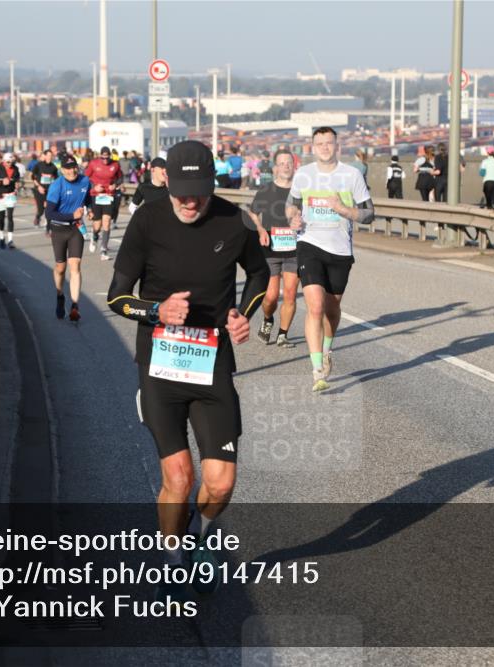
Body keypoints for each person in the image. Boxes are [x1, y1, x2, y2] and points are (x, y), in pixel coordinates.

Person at [106, 140, 269, 598]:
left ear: (212, 184)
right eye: (182, 191)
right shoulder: (148, 219)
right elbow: (117, 296)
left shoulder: (233, 220)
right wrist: (156, 310)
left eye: (199, 190)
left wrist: (243, 313)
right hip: (160, 366)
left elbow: (259, 275)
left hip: (213, 362)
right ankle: (173, 558)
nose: (191, 200)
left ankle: (199, 536)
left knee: (221, 483)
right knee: (179, 476)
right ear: (168, 183)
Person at [286, 126, 374, 392]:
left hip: (340, 251)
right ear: (313, 147)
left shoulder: (352, 175)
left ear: (338, 146)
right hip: (309, 243)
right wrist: (293, 217)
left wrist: (343, 210)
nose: (324, 147)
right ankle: (317, 371)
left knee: (332, 308)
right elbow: (291, 203)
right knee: (314, 306)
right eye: (320, 143)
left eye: (329, 143)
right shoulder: (303, 174)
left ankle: (326, 350)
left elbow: (369, 214)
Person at [251, 148, 300, 348]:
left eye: (289, 163)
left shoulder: (301, 191)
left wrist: (301, 222)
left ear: (294, 166)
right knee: (270, 296)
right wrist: (261, 229)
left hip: (294, 249)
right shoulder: (266, 190)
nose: (286, 166)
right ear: (275, 168)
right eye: (282, 163)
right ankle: (268, 319)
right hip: (270, 248)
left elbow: (309, 215)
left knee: (289, 293)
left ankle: (283, 335)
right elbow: (253, 214)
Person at [46, 155, 93, 321]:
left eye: (73, 167)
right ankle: (60, 295)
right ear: (61, 170)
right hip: (58, 229)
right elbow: (49, 213)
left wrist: (91, 208)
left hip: (76, 229)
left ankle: (74, 305)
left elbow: (88, 198)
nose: (71, 171)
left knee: (76, 265)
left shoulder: (85, 181)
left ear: (77, 167)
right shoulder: (56, 186)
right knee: (61, 267)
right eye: (67, 168)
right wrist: (71, 215)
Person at [83, 146, 124, 260]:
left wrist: (115, 185)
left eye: (107, 158)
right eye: (103, 158)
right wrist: (94, 187)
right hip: (96, 196)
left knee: (106, 223)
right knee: (98, 224)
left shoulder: (115, 165)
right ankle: (94, 236)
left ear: (110, 156)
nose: (105, 160)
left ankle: (104, 250)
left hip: (109, 196)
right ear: (100, 156)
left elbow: (120, 178)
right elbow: (85, 179)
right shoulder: (93, 164)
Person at [0, 153, 21, 249]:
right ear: (3, 161)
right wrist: (1, 182)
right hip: (0, 195)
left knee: (10, 217)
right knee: (2, 217)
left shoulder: (15, 169)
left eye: (11, 162)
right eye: (8, 162)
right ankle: (2, 237)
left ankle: (10, 240)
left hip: (10, 195)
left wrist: (17, 184)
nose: (10, 163)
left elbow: (17, 180)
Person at [31, 149, 59, 227]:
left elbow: (56, 179)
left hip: (49, 191)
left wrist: (54, 188)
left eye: (51, 156)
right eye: (48, 155)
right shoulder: (39, 165)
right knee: (40, 210)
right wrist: (39, 186)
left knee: (48, 207)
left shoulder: (53, 167)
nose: (50, 157)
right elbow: (33, 177)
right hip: (39, 190)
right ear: (45, 156)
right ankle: (38, 217)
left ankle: (48, 224)